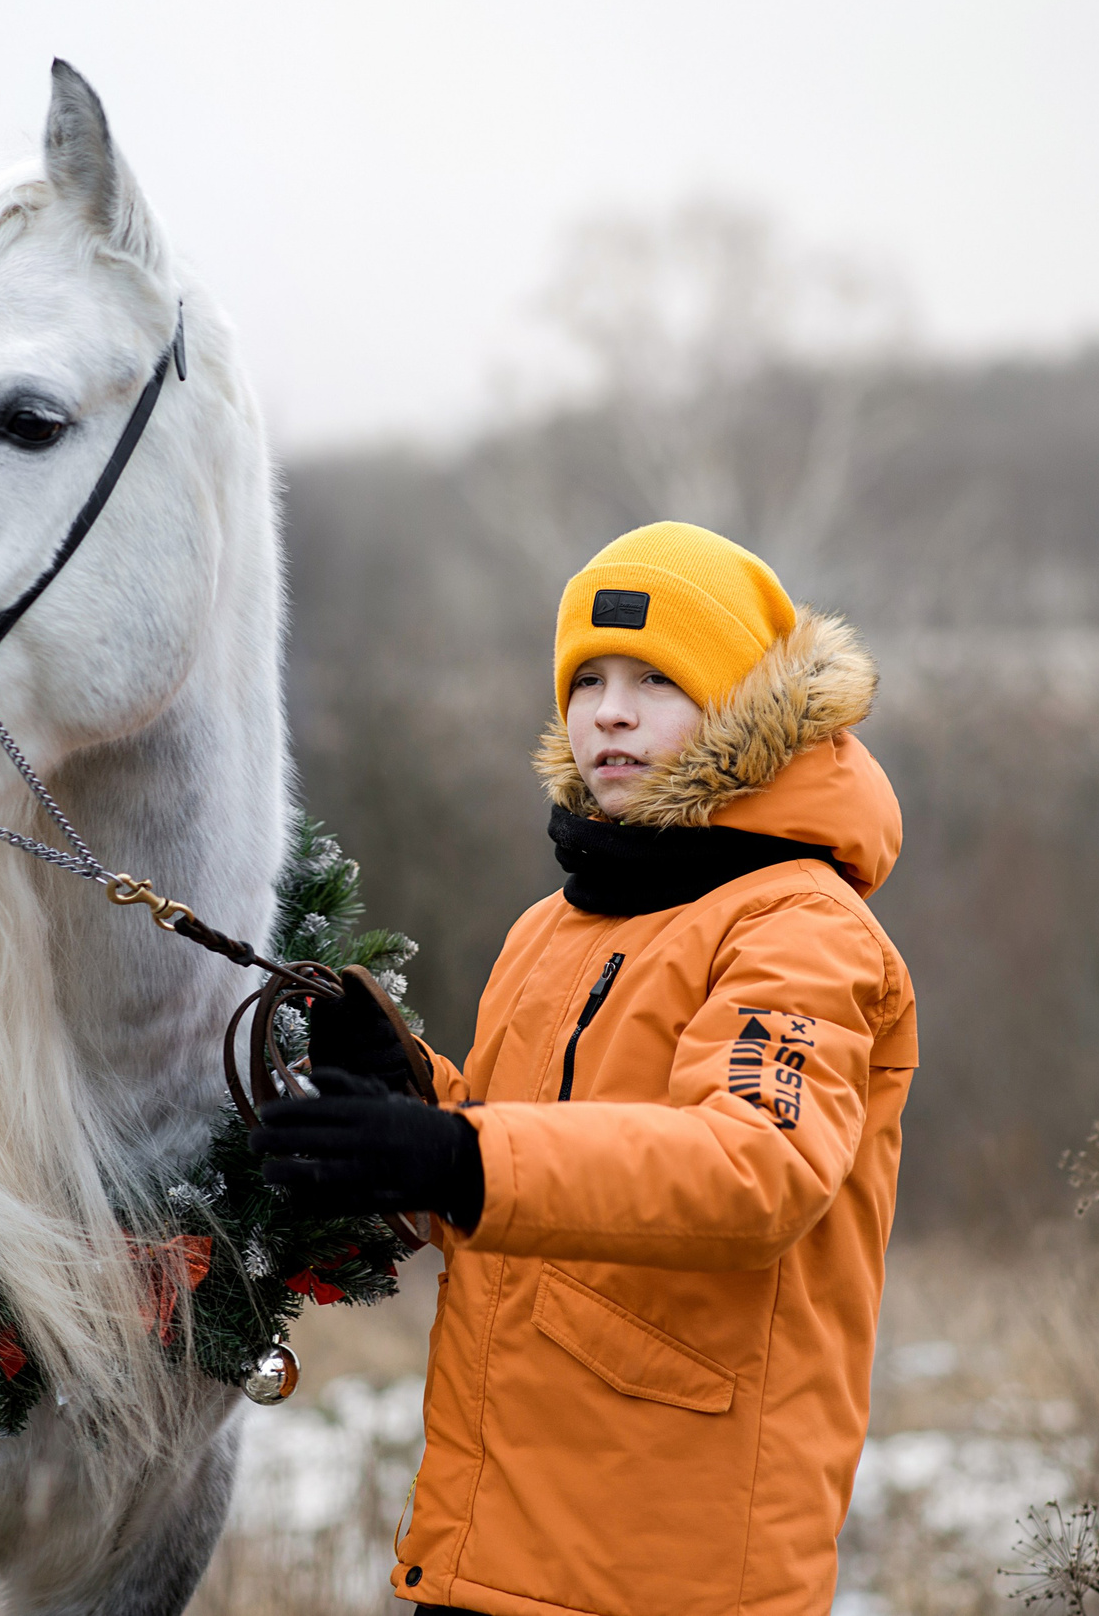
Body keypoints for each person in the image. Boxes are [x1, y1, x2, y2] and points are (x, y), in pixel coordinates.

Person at [252, 521, 916, 1616]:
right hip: (489, 1540)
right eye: (588, 679)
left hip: (668, 1566)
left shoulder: (801, 926)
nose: (609, 709)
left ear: (748, 709)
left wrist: (452, 1153)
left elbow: (751, 1168)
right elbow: (520, 1185)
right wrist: (412, 1098)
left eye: (657, 679)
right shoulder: (552, 927)